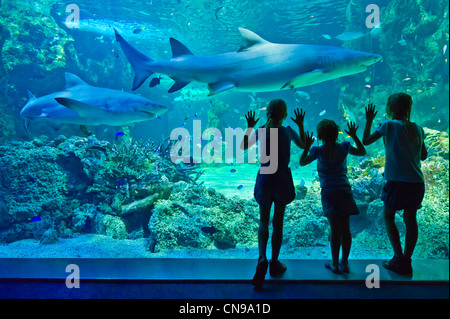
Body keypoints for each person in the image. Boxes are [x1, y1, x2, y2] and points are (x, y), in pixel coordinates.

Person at [240, 99, 305, 290]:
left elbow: (244, 147)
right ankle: (275, 262)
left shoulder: (261, 130)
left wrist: (249, 127)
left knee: (263, 221)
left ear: (267, 112)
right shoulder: (288, 131)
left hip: (266, 176)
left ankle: (262, 258)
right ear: (285, 114)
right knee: (278, 222)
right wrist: (300, 125)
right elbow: (302, 144)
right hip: (282, 177)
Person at [363, 93, 427, 276]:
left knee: (389, 216)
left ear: (390, 109)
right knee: (410, 220)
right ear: (409, 109)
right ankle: (407, 259)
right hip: (416, 182)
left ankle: (398, 257)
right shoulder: (418, 128)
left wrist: (369, 121)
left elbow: (366, 141)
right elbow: (423, 155)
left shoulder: (388, 125)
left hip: (396, 182)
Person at [300, 120, 366, 274]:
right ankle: (345, 262)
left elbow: (302, 162)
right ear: (337, 134)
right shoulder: (344, 147)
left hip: (329, 193)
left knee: (334, 229)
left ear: (320, 136)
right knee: (346, 229)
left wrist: (307, 146)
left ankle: (335, 263)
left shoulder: (317, 151)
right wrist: (354, 136)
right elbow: (362, 152)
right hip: (344, 191)